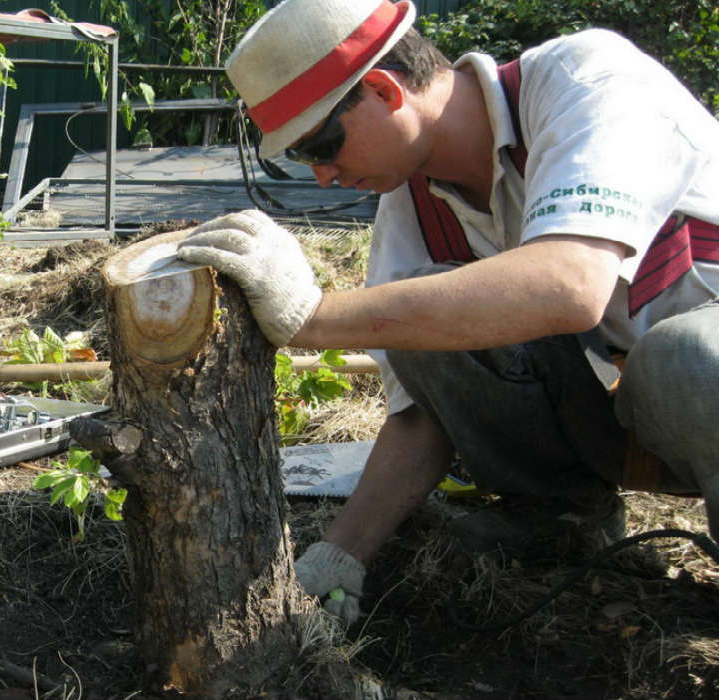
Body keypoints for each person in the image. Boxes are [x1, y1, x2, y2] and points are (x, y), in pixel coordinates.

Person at [176, 0, 719, 627]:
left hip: (697, 378)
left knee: (684, 360)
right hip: (641, 415)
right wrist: (338, 555)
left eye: (321, 145)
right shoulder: (412, 204)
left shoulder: (587, 81)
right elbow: (416, 415)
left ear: (382, 88)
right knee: (423, 309)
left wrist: (314, 315)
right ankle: (565, 516)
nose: (322, 176)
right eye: (300, 159)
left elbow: (570, 283)